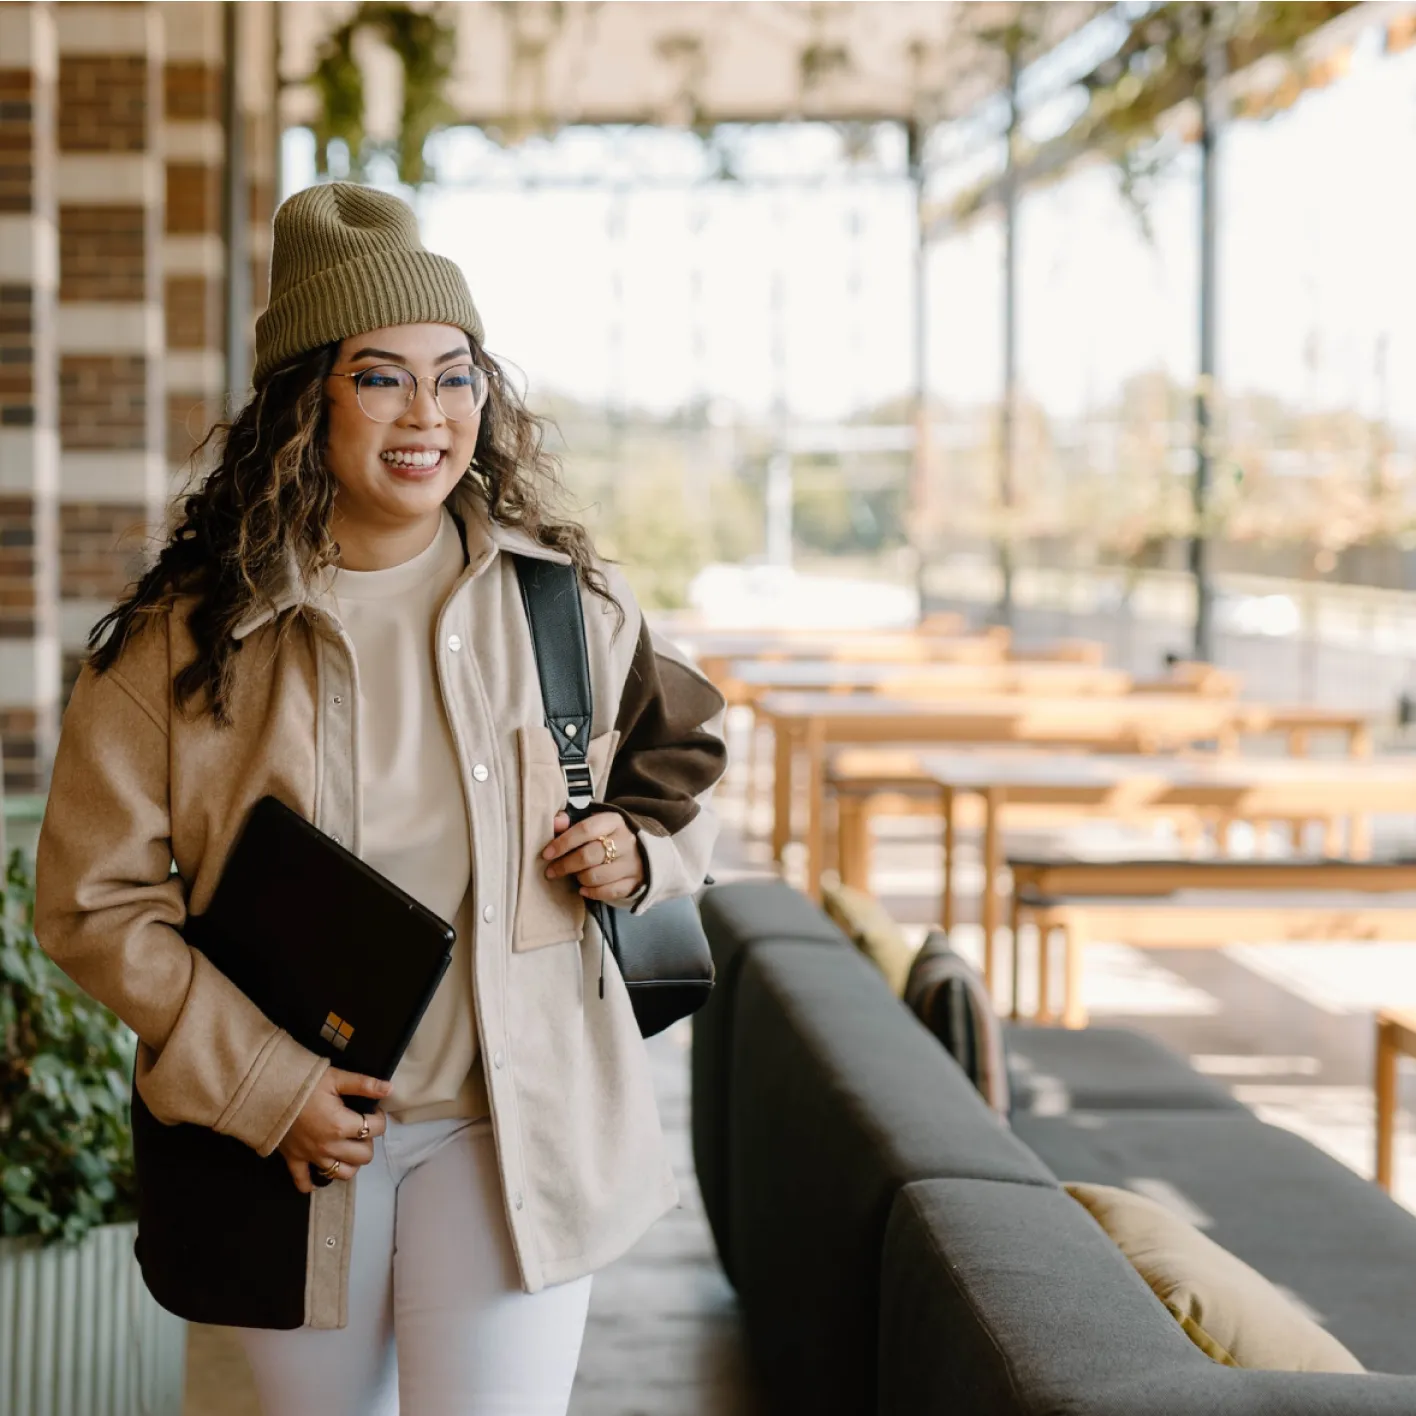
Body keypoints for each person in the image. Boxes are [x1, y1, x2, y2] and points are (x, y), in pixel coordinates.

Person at [34, 181, 727, 1416]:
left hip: (510, 1130)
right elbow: (92, 905)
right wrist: (266, 1088)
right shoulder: (185, 645)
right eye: (382, 377)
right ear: (307, 405)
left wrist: (637, 850)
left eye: (457, 376)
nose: (430, 415)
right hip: (289, 1147)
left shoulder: (564, 604)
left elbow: (679, 774)